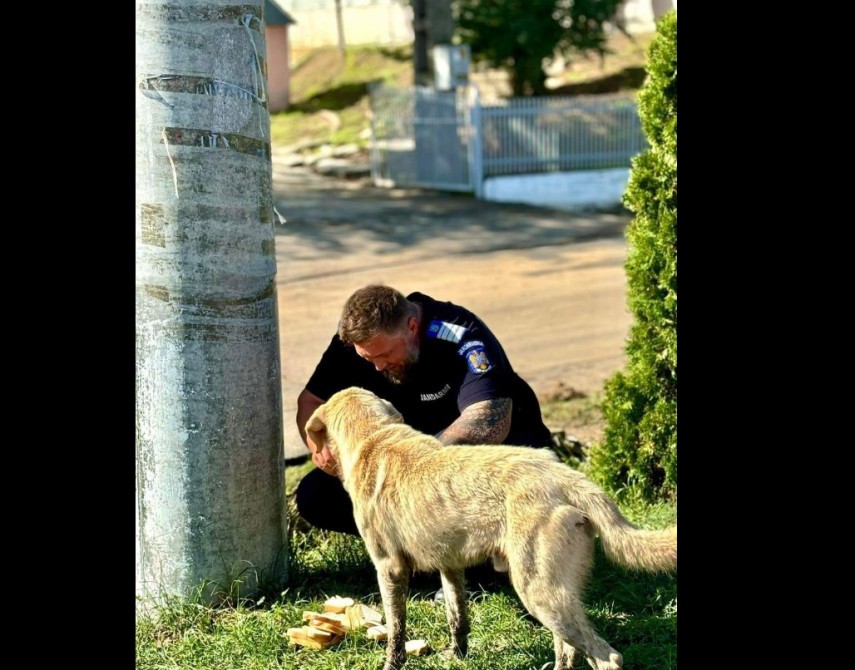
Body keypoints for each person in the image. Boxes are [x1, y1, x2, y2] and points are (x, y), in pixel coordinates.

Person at [294, 285, 554, 593]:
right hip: (410, 471)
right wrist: (320, 446)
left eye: (385, 354)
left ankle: (482, 564)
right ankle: (418, 560)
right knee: (316, 496)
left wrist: (416, 467)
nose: (378, 366)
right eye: (368, 359)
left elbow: (489, 418)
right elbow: (310, 402)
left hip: (489, 461)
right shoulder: (355, 344)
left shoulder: (459, 334)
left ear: (412, 327)